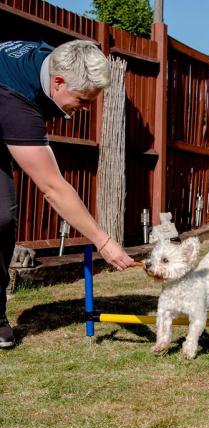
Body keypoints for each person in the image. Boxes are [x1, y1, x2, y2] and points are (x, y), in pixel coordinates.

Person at [0, 39, 134, 348]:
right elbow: (52, 188)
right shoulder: (16, 99)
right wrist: (104, 241)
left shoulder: (57, 59)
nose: (85, 109)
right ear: (58, 82)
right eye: (83, 100)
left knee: (2, 218)